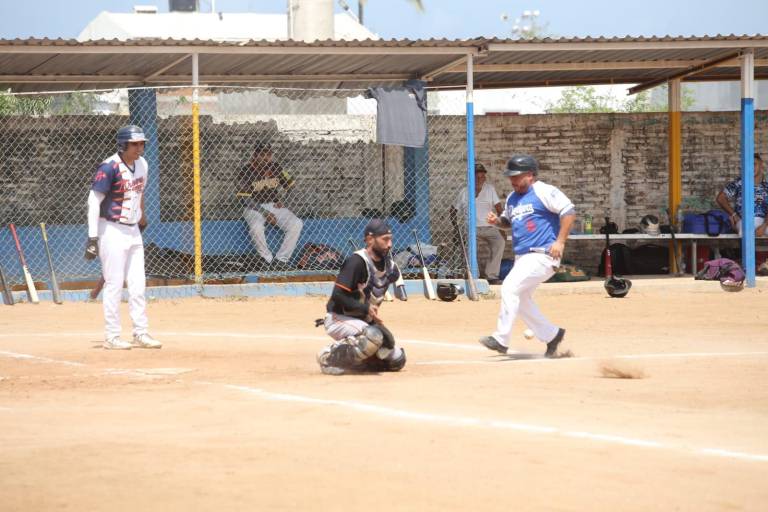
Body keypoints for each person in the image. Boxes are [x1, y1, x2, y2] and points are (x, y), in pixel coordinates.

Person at [478, 154, 575, 358]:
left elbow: (568, 211)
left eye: (517, 176)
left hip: (544, 254)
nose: (513, 181)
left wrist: (560, 241)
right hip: (523, 257)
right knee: (521, 298)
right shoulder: (513, 198)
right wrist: (497, 222)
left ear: (530, 175)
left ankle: (501, 339)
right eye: (510, 177)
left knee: (509, 287)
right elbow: (508, 221)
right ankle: (552, 335)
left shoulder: (544, 191)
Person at [84, 125, 161, 350]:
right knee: (114, 284)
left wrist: (141, 217)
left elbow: (139, 193)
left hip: (133, 229)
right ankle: (112, 336)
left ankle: (140, 332)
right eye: (134, 144)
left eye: (141, 143)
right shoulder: (109, 167)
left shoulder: (143, 165)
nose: (139, 148)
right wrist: (92, 238)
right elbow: (93, 202)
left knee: (138, 283)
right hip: (111, 229)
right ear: (123, 145)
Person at [316, 219, 408, 375]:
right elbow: (337, 296)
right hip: (339, 318)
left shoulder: (391, 268)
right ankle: (327, 356)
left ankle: (361, 361)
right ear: (370, 239)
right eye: (385, 239)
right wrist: (365, 308)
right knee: (373, 337)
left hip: (362, 320)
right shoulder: (357, 262)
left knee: (396, 359)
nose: (390, 244)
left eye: (390, 239)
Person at [237, 143, 303, 269]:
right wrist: (265, 213)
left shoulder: (276, 167)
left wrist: (285, 202)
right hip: (254, 207)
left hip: (274, 205)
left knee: (297, 223)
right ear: (255, 156)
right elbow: (245, 199)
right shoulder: (245, 171)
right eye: (262, 155)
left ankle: (281, 261)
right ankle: (266, 259)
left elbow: (292, 187)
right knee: (256, 226)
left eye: (269, 155)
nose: (266, 158)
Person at [450, 162, 505, 284]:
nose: (480, 179)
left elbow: (499, 210)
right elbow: (453, 210)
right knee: (469, 246)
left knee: (500, 242)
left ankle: (491, 276)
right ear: (471, 177)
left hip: (489, 227)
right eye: (477, 177)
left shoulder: (490, 189)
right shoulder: (464, 192)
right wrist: (456, 228)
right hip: (471, 228)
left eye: (482, 177)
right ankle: (475, 276)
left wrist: (502, 227)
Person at [716, 153, 768, 237]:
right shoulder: (740, 182)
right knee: (745, 233)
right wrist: (734, 215)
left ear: (761, 164)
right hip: (744, 221)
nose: (751, 167)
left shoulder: (766, 185)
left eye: (754, 164)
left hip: (764, 221)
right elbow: (720, 198)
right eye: (749, 165)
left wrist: (764, 226)